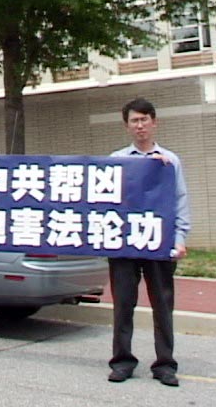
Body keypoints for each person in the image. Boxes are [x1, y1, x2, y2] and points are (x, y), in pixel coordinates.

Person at [107, 98, 190, 387]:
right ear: (127, 126)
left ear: (154, 123)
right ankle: (122, 361)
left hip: (159, 243)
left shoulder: (169, 161)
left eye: (144, 119)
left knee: (163, 305)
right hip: (125, 245)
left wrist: (179, 239)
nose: (140, 125)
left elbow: (179, 201)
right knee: (123, 304)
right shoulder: (116, 160)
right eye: (134, 120)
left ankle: (165, 364)